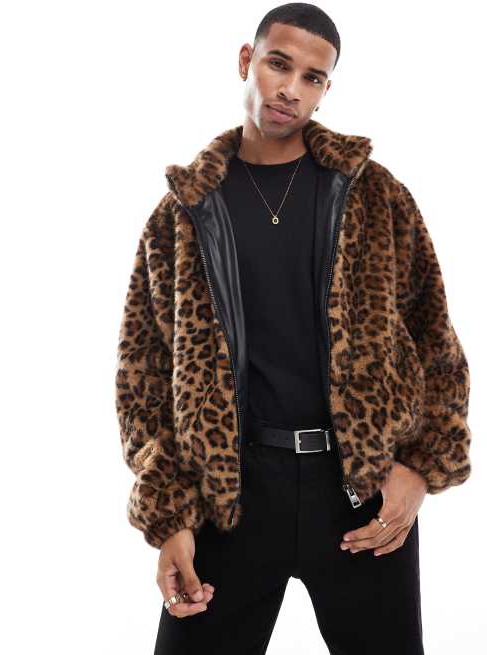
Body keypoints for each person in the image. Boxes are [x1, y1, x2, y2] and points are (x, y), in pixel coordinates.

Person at [114, 3, 472, 653]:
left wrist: (419, 467)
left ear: (326, 88)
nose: (291, 89)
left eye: (313, 77)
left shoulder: (374, 196)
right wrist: (168, 516)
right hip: (231, 496)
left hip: (359, 493)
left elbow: (435, 341)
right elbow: (142, 377)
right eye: (279, 64)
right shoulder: (184, 214)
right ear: (246, 61)